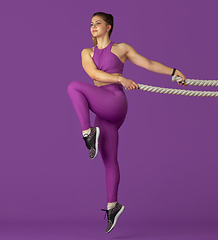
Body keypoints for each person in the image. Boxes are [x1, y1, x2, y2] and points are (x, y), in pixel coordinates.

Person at [67, 12, 186, 233]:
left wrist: (173, 72)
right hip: (103, 110)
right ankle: (113, 205)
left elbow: (148, 64)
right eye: (91, 24)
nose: (93, 26)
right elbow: (93, 73)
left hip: (114, 101)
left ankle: (87, 133)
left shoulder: (121, 48)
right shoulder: (87, 52)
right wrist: (120, 77)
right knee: (109, 160)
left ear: (109, 26)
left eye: (98, 23)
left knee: (74, 86)